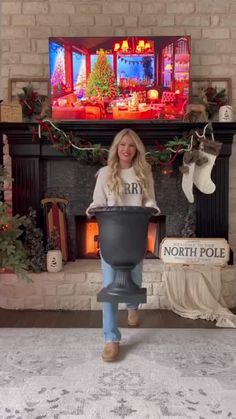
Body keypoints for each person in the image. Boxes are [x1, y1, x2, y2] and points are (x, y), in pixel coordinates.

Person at [86, 128, 160, 362]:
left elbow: (149, 199)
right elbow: (98, 200)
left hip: (135, 233)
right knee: (109, 286)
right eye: (122, 145)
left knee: (135, 281)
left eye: (130, 145)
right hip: (112, 234)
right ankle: (111, 338)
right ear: (116, 148)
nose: (126, 149)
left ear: (136, 148)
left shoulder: (143, 172)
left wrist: (152, 207)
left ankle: (132, 304)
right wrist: (93, 208)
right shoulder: (105, 173)